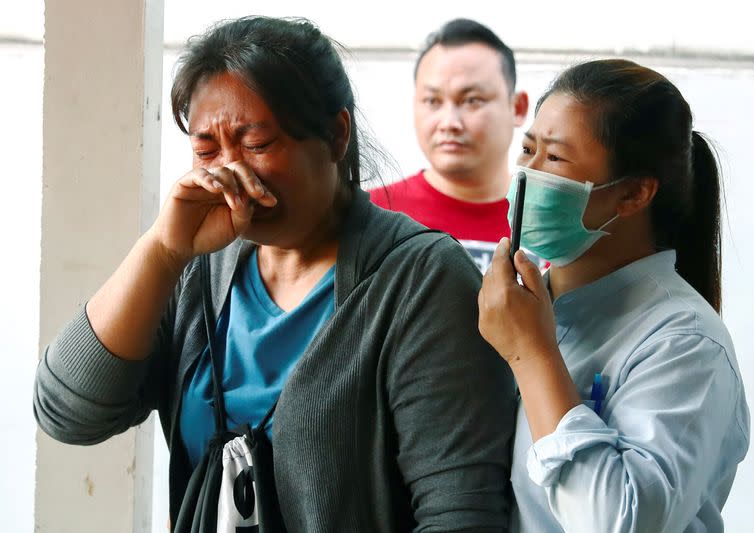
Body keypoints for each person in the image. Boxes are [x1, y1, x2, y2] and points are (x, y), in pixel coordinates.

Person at [33, 16, 516, 531]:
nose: (229, 173)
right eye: (206, 150)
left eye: (257, 145)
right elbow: (69, 413)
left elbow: (460, 511)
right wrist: (161, 250)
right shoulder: (200, 269)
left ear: (335, 135)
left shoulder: (420, 280)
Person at [478, 59, 750, 532]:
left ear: (634, 194)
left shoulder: (685, 342)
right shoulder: (518, 308)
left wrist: (533, 356)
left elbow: (619, 521)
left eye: (556, 159)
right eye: (527, 149)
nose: (528, 174)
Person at [370, 18, 530, 272]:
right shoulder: (371, 215)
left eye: (471, 100)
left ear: (518, 107)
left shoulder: (554, 222)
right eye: (432, 101)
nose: (449, 122)